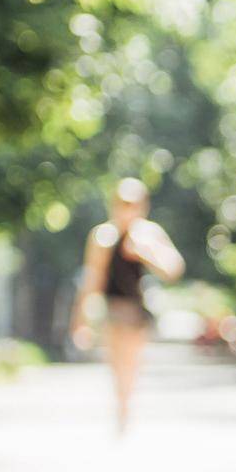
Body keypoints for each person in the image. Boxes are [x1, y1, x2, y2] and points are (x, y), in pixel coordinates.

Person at [70, 178, 185, 434]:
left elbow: (174, 269)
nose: (127, 209)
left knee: (132, 363)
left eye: (133, 204)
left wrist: (145, 253)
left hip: (137, 311)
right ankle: (121, 406)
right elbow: (92, 280)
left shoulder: (149, 234)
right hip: (112, 309)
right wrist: (80, 320)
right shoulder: (103, 237)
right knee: (116, 363)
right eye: (123, 203)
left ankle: (126, 406)